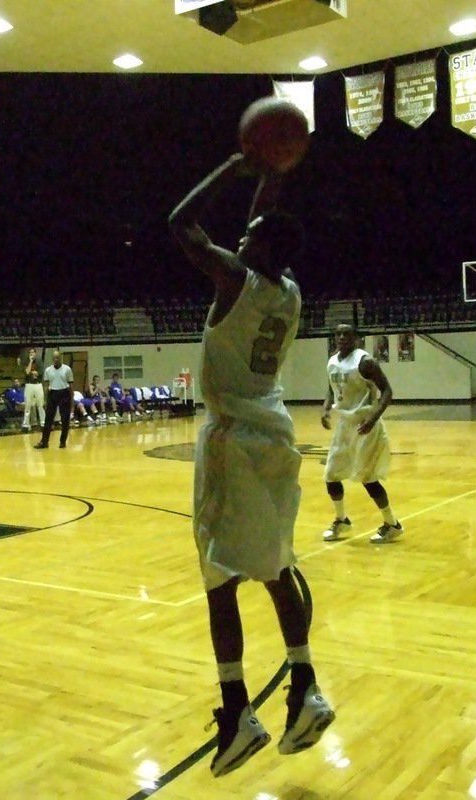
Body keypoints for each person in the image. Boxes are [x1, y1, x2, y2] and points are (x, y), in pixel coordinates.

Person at [169, 152, 334, 777]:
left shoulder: (235, 278)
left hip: (232, 440)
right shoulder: (289, 291)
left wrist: (231, 165)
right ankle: (304, 684)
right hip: (276, 436)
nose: (242, 234)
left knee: (218, 580)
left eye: (249, 234)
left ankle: (237, 711)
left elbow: (180, 223)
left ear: (258, 248)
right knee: (276, 568)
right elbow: (265, 222)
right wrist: (275, 170)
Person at [320, 324, 402, 543]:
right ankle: (342, 520)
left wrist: (373, 417)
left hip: (366, 424)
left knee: (368, 478)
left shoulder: (365, 362)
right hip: (344, 425)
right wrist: (326, 408)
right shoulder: (332, 361)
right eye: (338, 333)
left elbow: (387, 391)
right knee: (331, 475)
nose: (341, 337)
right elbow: (332, 388)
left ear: (357, 338)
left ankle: (392, 524)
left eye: (347, 333)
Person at [34, 350, 73, 449]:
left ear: (60, 358)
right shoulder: (48, 370)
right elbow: (46, 386)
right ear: (52, 359)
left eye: (57, 358)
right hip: (53, 393)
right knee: (48, 419)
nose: (56, 360)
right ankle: (44, 442)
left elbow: (71, 386)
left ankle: (62, 441)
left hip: (64, 393)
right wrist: (45, 399)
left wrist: (71, 400)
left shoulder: (67, 369)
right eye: (54, 358)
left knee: (65, 420)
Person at [21, 347, 45, 432]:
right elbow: (27, 372)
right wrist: (30, 362)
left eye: (33, 352)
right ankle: (25, 424)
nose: (31, 354)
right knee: (27, 405)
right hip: (29, 385)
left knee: (40, 405)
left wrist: (36, 373)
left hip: (38, 384)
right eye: (30, 353)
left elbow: (41, 372)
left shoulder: (39, 361)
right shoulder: (25, 362)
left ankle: (43, 422)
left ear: (35, 353)